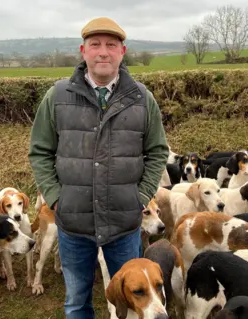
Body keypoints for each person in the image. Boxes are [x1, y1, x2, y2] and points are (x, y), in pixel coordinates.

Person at [28, 16, 169, 319]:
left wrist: (141, 196)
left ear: (122, 51)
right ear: (83, 51)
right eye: (95, 45)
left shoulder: (142, 100)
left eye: (111, 45)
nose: (103, 52)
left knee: (134, 302)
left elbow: (158, 151)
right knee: (77, 302)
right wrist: (56, 198)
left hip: (124, 225)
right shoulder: (57, 96)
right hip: (74, 225)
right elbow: (39, 151)